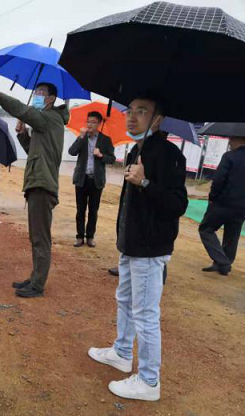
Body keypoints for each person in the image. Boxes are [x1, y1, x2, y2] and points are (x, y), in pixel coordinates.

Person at [88, 95, 188, 402]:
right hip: (131, 243)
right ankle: (121, 352)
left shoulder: (169, 154)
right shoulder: (137, 149)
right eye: (130, 111)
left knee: (145, 313)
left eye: (141, 112)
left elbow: (178, 204)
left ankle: (148, 381)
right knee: (125, 299)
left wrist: (144, 183)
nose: (132, 117)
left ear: (158, 119)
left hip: (150, 247)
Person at [0, 83, 69, 297]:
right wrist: (23, 135)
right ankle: (35, 277)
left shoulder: (51, 118)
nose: (36, 96)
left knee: (40, 238)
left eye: (40, 93)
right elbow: (34, 152)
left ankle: (37, 285)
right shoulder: (45, 122)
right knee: (36, 236)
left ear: (51, 99)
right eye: (35, 92)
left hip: (42, 186)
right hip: (38, 183)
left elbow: (23, 110)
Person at [68, 111, 115, 247]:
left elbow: (112, 159)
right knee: (80, 210)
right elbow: (71, 152)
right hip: (81, 179)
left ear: (99, 124)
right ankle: (79, 236)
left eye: (93, 122)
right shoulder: (82, 137)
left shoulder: (105, 140)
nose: (90, 124)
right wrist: (81, 137)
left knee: (93, 210)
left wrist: (101, 155)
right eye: (88, 121)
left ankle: (90, 236)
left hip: (96, 180)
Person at [199, 135, 245, 275]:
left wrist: (212, 197)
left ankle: (222, 261)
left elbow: (219, 179)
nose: (229, 141)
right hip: (242, 207)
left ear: (241, 139)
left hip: (223, 203)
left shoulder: (229, 156)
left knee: (206, 229)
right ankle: (224, 265)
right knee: (232, 235)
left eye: (232, 139)